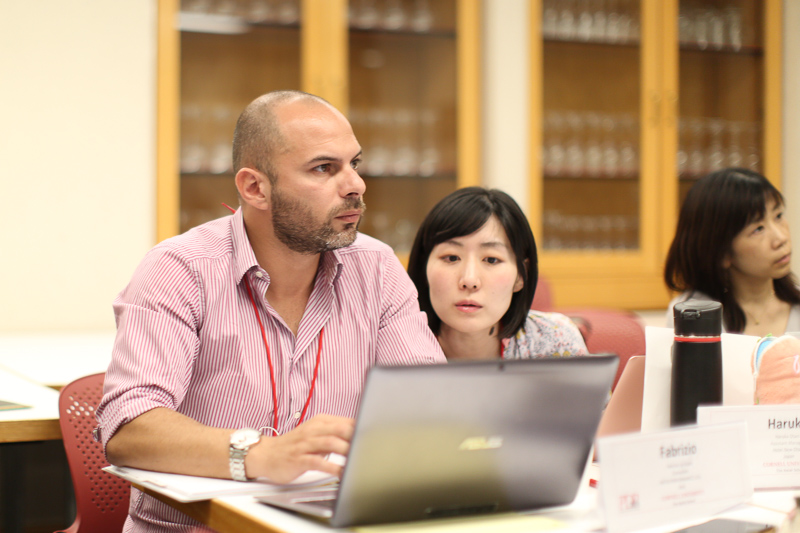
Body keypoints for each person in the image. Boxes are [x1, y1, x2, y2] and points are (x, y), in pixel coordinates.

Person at [96, 90, 445, 532]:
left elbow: (430, 408)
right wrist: (260, 455)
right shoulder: (181, 269)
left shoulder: (376, 268)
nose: (355, 185)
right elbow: (130, 429)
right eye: (324, 168)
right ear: (254, 187)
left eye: (354, 164)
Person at [407, 187, 588, 360]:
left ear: (520, 275)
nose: (469, 280)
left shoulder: (555, 342)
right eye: (452, 258)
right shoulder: (392, 347)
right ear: (424, 268)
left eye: (491, 260)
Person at [664, 167, 800, 336]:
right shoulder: (693, 316)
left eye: (778, 216)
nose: (781, 238)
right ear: (722, 252)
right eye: (758, 229)